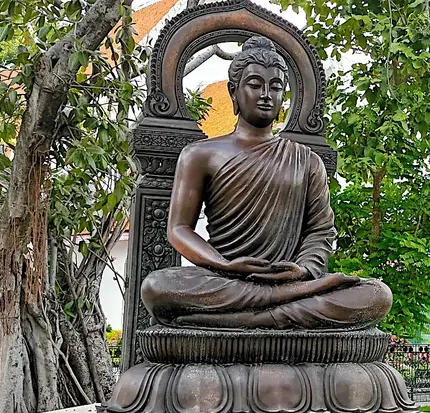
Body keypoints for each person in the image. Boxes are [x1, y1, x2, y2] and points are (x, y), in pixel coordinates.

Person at [140, 36, 392, 330]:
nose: (266, 95)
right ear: (233, 91)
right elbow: (179, 229)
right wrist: (224, 265)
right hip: (227, 279)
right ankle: (281, 307)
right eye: (255, 84)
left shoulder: (306, 160)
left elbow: (321, 230)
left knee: (377, 295)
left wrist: (304, 270)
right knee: (157, 287)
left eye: (275, 87)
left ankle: (251, 316)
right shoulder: (200, 154)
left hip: (291, 280)